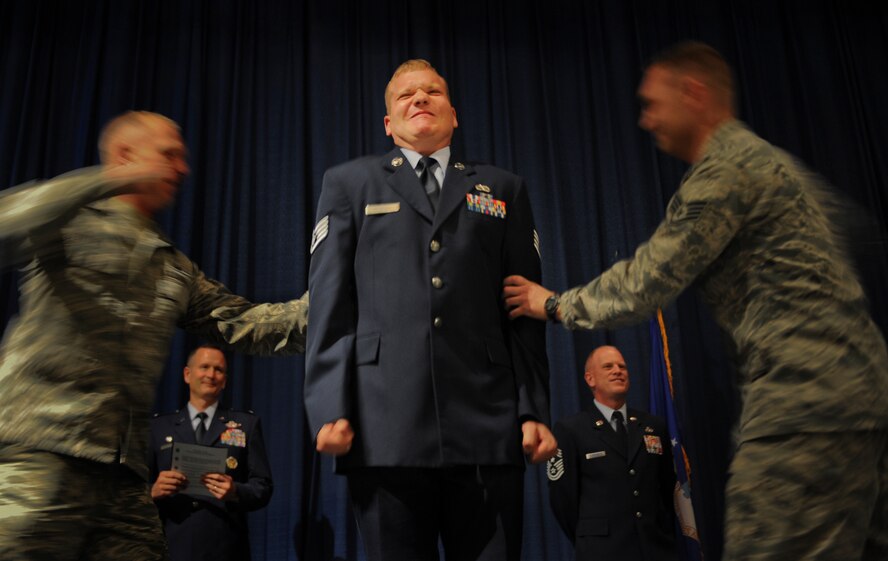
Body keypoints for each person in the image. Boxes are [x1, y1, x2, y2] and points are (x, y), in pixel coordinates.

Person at [503, 41, 888, 561]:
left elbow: (647, 280)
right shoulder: (774, 163)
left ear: (694, 93)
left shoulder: (724, 172)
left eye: (653, 103)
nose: (646, 120)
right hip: (866, 402)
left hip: (805, 407)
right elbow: (859, 237)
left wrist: (553, 304)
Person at [0, 110, 308, 561]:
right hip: (42, 453)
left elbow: (246, 325)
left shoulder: (171, 266)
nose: (182, 169)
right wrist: (104, 180)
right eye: (169, 155)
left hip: (121, 474)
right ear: (125, 155)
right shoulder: (67, 219)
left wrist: (345, 297)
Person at [305, 59, 556, 561]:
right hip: (383, 426)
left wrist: (533, 410)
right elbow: (330, 306)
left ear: (454, 114)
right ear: (388, 123)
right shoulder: (349, 184)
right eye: (405, 96)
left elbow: (523, 308)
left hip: (488, 421)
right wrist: (329, 406)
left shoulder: (503, 189)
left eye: (432, 92)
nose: (419, 99)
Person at [547, 346, 677, 561]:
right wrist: (589, 536)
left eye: (622, 366)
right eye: (608, 367)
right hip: (601, 551)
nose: (618, 371)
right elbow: (562, 500)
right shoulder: (570, 430)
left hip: (655, 549)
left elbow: (667, 488)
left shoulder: (652, 426)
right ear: (590, 379)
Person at [149, 344, 272, 561]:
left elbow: (262, 487)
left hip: (225, 545)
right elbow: (128, 488)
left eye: (219, 370)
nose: (211, 375)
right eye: (204, 367)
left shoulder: (246, 425)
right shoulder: (159, 427)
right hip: (171, 544)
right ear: (187, 374)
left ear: (225, 380)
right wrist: (153, 490)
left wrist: (235, 491)